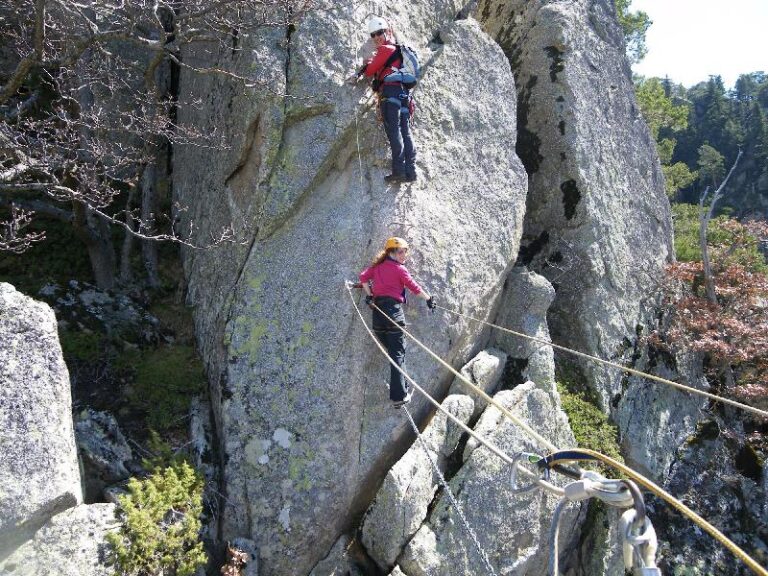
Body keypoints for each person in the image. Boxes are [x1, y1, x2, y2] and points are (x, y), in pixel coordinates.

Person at [359, 237, 435, 407]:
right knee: (397, 354)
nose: (404, 255)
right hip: (393, 314)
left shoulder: (377, 267)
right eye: (401, 251)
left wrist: (370, 294)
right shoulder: (400, 270)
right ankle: (399, 396)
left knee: (395, 353)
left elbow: (363, 277)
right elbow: (414, 287)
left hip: (378, 316)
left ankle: (403, 389)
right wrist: (429, 298)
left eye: (405, 251)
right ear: (391, 253)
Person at [359, 16, 417, 184]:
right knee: (405, 132)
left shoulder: (385, 50)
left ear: (388, 32)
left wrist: (368, 62)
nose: (377, 37)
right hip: (404, 95)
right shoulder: (398, 51)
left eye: (379, 33)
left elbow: (369, 71)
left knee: (394, 132)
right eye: (373, 35)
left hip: (390, 93)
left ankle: (398, 171)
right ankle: (410, 172)